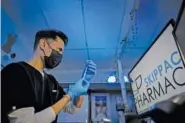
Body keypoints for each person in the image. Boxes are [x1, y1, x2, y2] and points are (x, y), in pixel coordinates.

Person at [1, 29, 97, 123]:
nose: (60, 56)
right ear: (43, 44)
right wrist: (69, 95)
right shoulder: (15, 72)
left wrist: (84, 81)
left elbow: (72, 109)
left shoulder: (51, 81)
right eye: (59, 50)